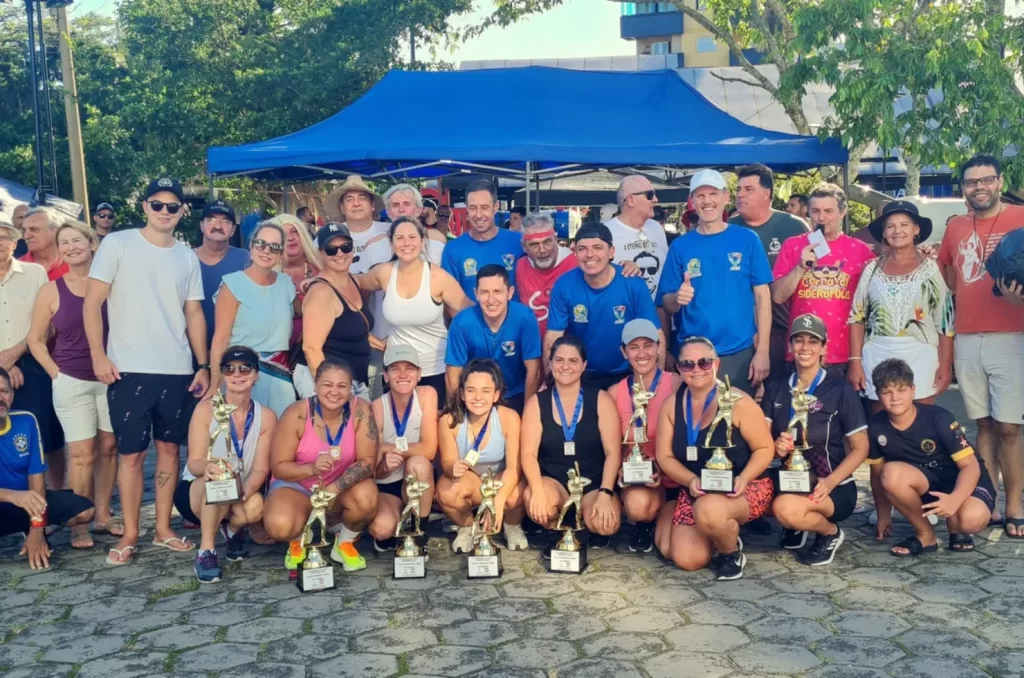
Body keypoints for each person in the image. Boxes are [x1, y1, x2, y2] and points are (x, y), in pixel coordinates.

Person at [85, 177, 210, 566]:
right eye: (158, 205)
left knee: (170, 451)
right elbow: (93, 304)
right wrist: (98, 357)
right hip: (128, 368)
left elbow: (193, 312)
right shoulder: (117, 244)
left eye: (173, 207)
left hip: (176, 369)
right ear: (144, 207)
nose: (165, 212)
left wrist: (203, 363)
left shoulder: (186, 256)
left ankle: (163, 530)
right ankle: (131, 534)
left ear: (181, 212)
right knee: (132, 455)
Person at [937, 153, 1024, 536]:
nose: (979, 187)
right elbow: (947, 276)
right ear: (963, 189)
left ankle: (1015, 505)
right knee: (983, 424)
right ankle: (987, 501)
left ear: (1000, 182)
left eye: (986, 180)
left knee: (1010, 427)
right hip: (968, 337)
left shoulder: (1021, 220)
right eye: (972, 182)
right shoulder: (955, 226)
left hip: (1012, 337)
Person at [27, 221, 119, 549]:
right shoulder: (51, 290)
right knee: (81, 453)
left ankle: (104, 514)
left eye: (77, 240)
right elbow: (36, 341)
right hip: (72, 380)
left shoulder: (112, 284)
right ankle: (79, 520)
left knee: (109, 448)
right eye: (64, 242)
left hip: (112, 379)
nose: (71, 247)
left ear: (92, 243)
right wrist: (57, 373)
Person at [654, 336, 775, 580]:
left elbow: (764, 448)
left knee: (710, 510)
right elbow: (664, 456)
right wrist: (690, 481)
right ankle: (709, 527)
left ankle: (730, 553)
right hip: (697, 489)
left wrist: (744, 478)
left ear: (716, 364)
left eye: (704, 363)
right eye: (687, 364)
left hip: (744, 487)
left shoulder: (738, 401)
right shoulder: (671, 405)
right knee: (686, 558)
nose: (696, 369)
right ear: (679, 369)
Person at [764, 314, 869, 565]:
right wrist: (775, 449)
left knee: (784, 509)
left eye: (813, 341)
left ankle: (829, 533)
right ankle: (797, 525)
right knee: (750, 495)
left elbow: (861, 448)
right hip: (789, 479)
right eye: (799, 340)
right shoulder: (776, 388)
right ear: (790, 346)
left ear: (824, 348)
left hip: (832, 485)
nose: (805, 347)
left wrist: (831, 482)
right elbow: (761, 445)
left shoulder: (840, 389)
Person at [658, 169, 773, 395]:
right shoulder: (680, 246)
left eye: (713, 194)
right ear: (692, 201)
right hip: (694, 356)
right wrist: (678, 298)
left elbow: (763, 296)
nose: (707, 201)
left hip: (739, 353)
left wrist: (762, 352)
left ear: (725, 197)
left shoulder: (747, 239)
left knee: (737, 422)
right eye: (700, 196)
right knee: (697, 423)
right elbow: (666, 304)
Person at [868, 358, 996, 555]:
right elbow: (876, 476)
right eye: (887, 392)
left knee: (970, 520)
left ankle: (956, 526)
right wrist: (883, 515)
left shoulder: (939, 418)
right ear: (877, 394)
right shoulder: (875, 427)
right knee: (890, 474)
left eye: (901, 390)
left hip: (963, 479)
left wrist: (954, 500)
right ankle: (925, 535)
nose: (895, 398)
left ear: (913, 390)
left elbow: (970, 467)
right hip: (927, 482)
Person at [263, 360, 378, 573]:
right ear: (315, 385)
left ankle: (344, 543)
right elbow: (279, 467)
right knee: (279, 525)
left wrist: (332, 490)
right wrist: (312, 469)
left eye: (342, 386)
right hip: (297, 485)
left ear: (350, 387)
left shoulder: (361, 410)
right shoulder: (296, 413)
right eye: (327, 385)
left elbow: (368, 462)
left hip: (338, 487)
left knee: (367, 496)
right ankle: (298, 536)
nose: (334, 392)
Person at [176, 346, 275, 582]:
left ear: (256, 374)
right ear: (221, 375)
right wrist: (209, 468)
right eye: (229, 369)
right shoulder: (205, 408)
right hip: (198, 488)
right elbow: (194, 462)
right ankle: (206, 552)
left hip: (241, 486)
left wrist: (243, 492)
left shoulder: (267, 416)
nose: (237, 374)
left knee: (255, 507)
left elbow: (261, 468)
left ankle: (231, 532)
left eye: (244, 368)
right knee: (220, 480)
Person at [521, 336, 622, 554]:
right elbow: (528, 453)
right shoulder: (536, 403)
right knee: (533, 498)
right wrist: (537, 489)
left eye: (573, 361)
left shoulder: (601, 399)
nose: (565, 366)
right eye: (559, 360)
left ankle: (581, 527)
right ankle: (558, 531)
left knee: (606, 526)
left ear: (584, 365)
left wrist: (605, 493)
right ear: (550, 363)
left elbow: (613, 452)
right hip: (554, 483)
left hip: (592, 484)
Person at [848, 201, 954, 408]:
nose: (897, 231)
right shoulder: (870, 269)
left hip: (921, 356)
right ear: (884, 233)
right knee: (879, 423)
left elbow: (946, 322)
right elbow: (856, 318)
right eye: (891, 226)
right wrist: (855, 361)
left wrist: (945, 366)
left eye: (904, 225)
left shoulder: (932, 269)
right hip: (876, 354)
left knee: (921, 423)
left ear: (916, 230)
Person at [356, 217, 470, 404]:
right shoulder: (384, 273)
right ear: (392, 243)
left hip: (435, 369)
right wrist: (362, 332)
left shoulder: (437, 277)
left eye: (412, 237)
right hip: (397, 369)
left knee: (433, 427)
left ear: (422, 241)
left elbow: (470, 312)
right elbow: (351, 284)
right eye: (400, 238)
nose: (406, 243)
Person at [771, 183, 875, 380]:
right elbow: (777, 296)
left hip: (844, 353)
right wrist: (801, 266)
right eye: (815, 211)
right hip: (802, 351)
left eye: (829, 211)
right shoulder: (793, 246)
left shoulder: (860, 250)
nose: (821, 217)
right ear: (808, 212)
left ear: (842, 212)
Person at [547, 222, 664, 391]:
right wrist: (549, 380)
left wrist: (659, 383)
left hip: (627, 372)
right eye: (582, 249)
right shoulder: (564, 285)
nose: (589, 254)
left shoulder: (632, 283)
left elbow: (656, 334)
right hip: (580, 373)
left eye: (597, 247)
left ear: (611, 252)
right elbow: (553, 337)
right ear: (575, 253)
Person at [0, 368, 94, 569]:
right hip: (12, 499)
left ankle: (28, 530)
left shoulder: (26, 420)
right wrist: (11, 495)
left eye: (4, 391)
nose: (0, 398)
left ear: (12, 395)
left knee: (85, 511)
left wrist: (37, 530)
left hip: (23, 504)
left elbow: (37, 482)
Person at [436, 360, 528, 552]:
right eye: (471, 390)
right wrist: (452, 466)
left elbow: (514, 469)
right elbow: (446, 461)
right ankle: (468, 527)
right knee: (447, 491)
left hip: (501, 479)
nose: (478, 397)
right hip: (472, 480)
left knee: (516, 495)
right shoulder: (448, 421)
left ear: (496, 395)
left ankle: (511, 525)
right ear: (461, 393)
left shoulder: (509, 417)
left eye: (486, 391)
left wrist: (498, 501)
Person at [729, 165, 810, 380]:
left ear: (767, 194)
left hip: (786, 331)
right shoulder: (728, 229)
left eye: (748, 189)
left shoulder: (794, 226)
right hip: (743, 334)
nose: (740, 195)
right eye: (738, 190)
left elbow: (817, 267)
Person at [2, 218, 65, 491]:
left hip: (30, 360)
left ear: (15, 244)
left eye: (5, 237)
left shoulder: (35, 273)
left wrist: (14, 354)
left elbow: (49, 324)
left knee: (46, 434)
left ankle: (55, 497)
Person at [209, 222, 297, 416]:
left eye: (274, 247)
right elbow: (221, 338)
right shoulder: (232, 284)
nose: (267, 251)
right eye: (261, 244)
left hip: (280, 378)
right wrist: (215, 383)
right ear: (251, 247)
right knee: (240, 439)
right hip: (240, 375)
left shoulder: (287, 284)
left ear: (281, 253)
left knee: (279, 439)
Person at [609, 319, 681, 554]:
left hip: (675, 480)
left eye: (648, 345)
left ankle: (663, 515)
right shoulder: (614, 392)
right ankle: (644, 523)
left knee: (672, 548)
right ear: (623, 352)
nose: (642, 353)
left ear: (659, 347)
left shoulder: (677, 384)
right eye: (634, 347)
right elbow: (613, 444)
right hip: (637, 479)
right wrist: (620, 471)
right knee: (638, 507)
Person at [366, 344, 438, 552]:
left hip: (413, 478)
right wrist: (385, 466)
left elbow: (429, 449)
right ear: (386, 376)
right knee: (382, 530)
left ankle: (420, 530)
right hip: (387, 483)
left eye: (409, 368)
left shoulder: (427, 395)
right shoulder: (377, 407)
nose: (403, 374)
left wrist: (388, 447)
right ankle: (394, 523)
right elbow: (374, 469)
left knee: (419, 463)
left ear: (419, 374)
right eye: (395, 369)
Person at [446, 265, 542, 414]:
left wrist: (528, 411)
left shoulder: (525, 317)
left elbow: (533, 369)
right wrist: (457, 410)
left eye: (498, 292)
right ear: (476, 294)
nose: (491, 300)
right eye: (484, 292)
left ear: (510, 293)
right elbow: (453, 371)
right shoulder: (461, 323)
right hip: (477, 396)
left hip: (516, 392)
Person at [301, 224, 374, 401]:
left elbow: (346, 327)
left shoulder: (353, 280)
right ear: (321, 254)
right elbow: (311, 348)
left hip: (353, 379)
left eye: (345, 247)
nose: (340, 254)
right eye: (331, 250)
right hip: (329, 381)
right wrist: (331, 390)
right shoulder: (321, 292)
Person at [441, 180, 523, 301]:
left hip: (513, 319)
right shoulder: (453, 249)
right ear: (467, 209)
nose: (478, 215)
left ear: (496, 207)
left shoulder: (519, 242)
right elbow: (450, 299)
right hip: (470, 320)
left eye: (484, 207)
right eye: (473, 208)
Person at [271, 214, 321, 398]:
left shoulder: (323, 267)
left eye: (295, 232)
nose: (291, 238)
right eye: (283, 235)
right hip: (277, 360)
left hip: (318, 357)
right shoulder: (267, 274)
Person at [193, 200, 250, 350]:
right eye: (211, 220)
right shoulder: (186, 259)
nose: (218, 226)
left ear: (232, 230)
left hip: (235, 352)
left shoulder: (246, 260)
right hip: (191, 350)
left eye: (225, 221)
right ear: (201, 226)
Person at [605, 175, 670, 301]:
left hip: (658, 313)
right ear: (630, 200)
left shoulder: (656, 227)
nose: (655, 200)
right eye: (650, 195)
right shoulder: (607, 232)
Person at [514, 213, 577, 335]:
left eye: (547, 242)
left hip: (570, 349)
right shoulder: (519, 267)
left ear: (556, 240)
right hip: (533, 349)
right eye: (534, 245)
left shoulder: (576, 263)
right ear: (523, 246)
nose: (542, 250)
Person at [324, 175, 389, 264]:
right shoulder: (328, 235)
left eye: (362, 198)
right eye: (349, 199)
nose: (356, 203)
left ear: (373, 205)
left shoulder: (391, 231)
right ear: (342, 208)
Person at [382, 184, 446, 262]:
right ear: (388, 213)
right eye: (395, 205)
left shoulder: (436, 246)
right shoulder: (375, 247)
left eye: (407, 204)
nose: (401, 210)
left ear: (418, 210)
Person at [20, 207, 70, 281]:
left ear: (56, 231)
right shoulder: (14, 268)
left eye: (34, 229)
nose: (26, 236)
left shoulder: (76, 264)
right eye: (24, 230)